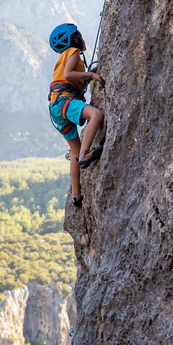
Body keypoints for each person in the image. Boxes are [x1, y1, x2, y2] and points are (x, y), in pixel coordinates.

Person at [48, 23, 105, 207]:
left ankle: (77, 196)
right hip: (64, 101)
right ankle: (86, 154)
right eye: (78, 35)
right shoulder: (73, 51)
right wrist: (92, 74)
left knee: (74, 151)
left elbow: (71, 77)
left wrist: (91, 74)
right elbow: (69, 74)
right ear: (74, 39)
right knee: (95, 115)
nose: (81, 37)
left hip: (56, 107)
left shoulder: (65, 56)